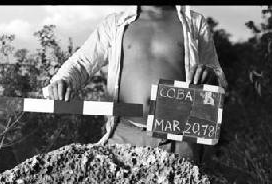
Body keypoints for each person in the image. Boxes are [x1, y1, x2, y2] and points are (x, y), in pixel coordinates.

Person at [43, 5, 227, 163]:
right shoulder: (114, 24)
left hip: (178, 137)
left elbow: (217, 75)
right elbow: (81, 63)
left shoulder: (194, 23)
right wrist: (63, 81)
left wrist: (210, 76)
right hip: (123, 133)